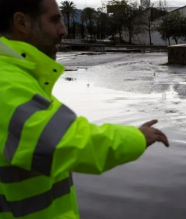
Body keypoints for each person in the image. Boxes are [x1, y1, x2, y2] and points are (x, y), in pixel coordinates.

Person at [0, 0, 169, 218]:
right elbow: (62, 141)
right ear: (21, 22)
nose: (63, 30)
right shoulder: (7, 82)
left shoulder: (21, 76)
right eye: (54, 20)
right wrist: (135, 137)